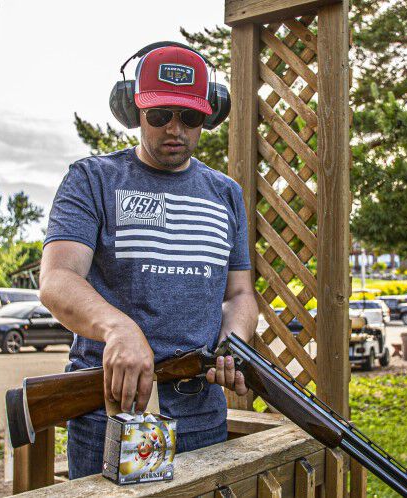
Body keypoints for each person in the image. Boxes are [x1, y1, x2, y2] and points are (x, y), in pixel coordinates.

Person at [39, 43, 259, 479]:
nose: (174, 128)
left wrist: (233, 341)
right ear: (133, 110)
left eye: (190, 116)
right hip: (111, 412)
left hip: (203, 416)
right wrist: (118, 328)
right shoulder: (92, 179)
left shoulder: (227, 194)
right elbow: (57, 278)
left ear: (208, 117)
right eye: (159, 115)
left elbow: (239, 293)